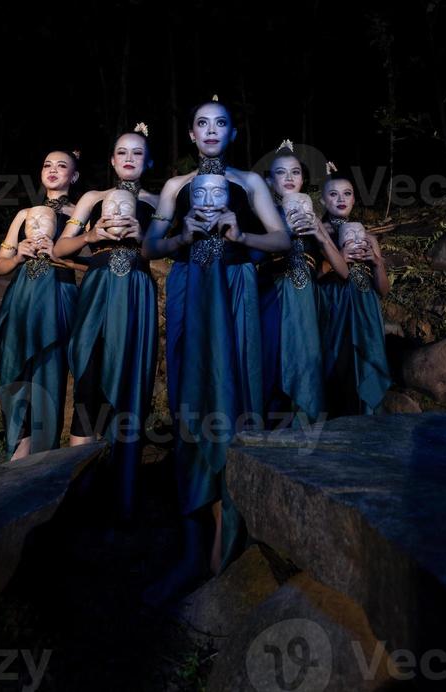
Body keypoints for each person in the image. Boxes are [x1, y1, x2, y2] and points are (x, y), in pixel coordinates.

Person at [141, 97, 290, 599]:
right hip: (190, 291)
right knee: (191, 407)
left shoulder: (250, 183)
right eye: (201, 123)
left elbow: (283, 241)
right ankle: (191, 552)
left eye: (220, 123)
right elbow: (150, 248)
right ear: (190, 134)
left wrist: (239, 230)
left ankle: (225, 550)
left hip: (233, 292)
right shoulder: (174, 187)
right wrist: (182, 232)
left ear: (231, 135)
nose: (210, 130)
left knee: (233, 404)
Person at [53, 125, 159, 521]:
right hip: (97, 289)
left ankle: (121, 494)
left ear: (147, 161)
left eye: (137, 153)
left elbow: (165, 248)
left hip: (136, 291)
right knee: (89, 377)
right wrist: (91, 234)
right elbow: (61, 246)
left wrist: (143, 235)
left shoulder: (156, 200)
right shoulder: (92, 198)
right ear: (112, 161)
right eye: (121, 152)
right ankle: (79, 491)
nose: (129, 158)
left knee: (131, 381)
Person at [0, 150, 80, 461]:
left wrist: (59, 256)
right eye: (47, 164)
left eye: (62, 165)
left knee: (49, 373)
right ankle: (17, 448)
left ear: (74, 176)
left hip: (58, 299)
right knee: (16, 371)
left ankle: (43, 456)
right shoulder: (25, 213)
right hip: (22, 298)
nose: (53, 170)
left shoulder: (80, 213)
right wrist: (18, 256)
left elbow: (96, 264)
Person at [260, 142, 348, 428]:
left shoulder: (315, 216)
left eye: (295, 172)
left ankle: (308, 428)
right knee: (273, 358)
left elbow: (344, 271)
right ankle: (271, 429)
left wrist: (321, 235)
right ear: (270, 180)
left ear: (302, 179)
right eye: (281, 173)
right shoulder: (263, 214)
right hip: (272, 295)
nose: (288, 178)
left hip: (307, 299)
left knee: (308, 361)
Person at [318, 169, 391, 417]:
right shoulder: (319, 234)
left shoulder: (368, 237)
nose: (341, 199)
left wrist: (378, 262)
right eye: (334, 194)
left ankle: (368, 420)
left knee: (367, 360)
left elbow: (383, 290)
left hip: (367, 306)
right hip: (335, 304)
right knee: (338, 362)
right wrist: (338, 260)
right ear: (323, 200)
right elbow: (311, 277)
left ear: (353, 200)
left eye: (347, 194)